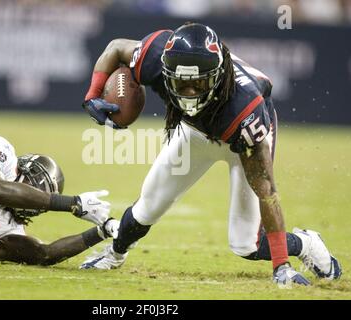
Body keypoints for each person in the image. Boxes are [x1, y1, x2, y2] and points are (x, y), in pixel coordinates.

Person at [80, 22, 341, 286]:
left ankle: (307, 244)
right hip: (194, 131)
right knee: (148, 205)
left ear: (218, 77)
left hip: (239, 140)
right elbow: (115, 48)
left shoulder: (245, 109)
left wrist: (281, 266)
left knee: (245, 243)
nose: (189, 93)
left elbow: (266, 191)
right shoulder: (156, 56)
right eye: (180, 84)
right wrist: (92, 95)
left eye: (198, 83)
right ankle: (115, 253)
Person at [0, 135, 119, 265]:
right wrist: (72, 203)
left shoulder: (8, 229)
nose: (35, 197)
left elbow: (44, 253)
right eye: (34, 187)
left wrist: (101, 231)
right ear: (21, 169)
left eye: (40, 193)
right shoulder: (0, 152)